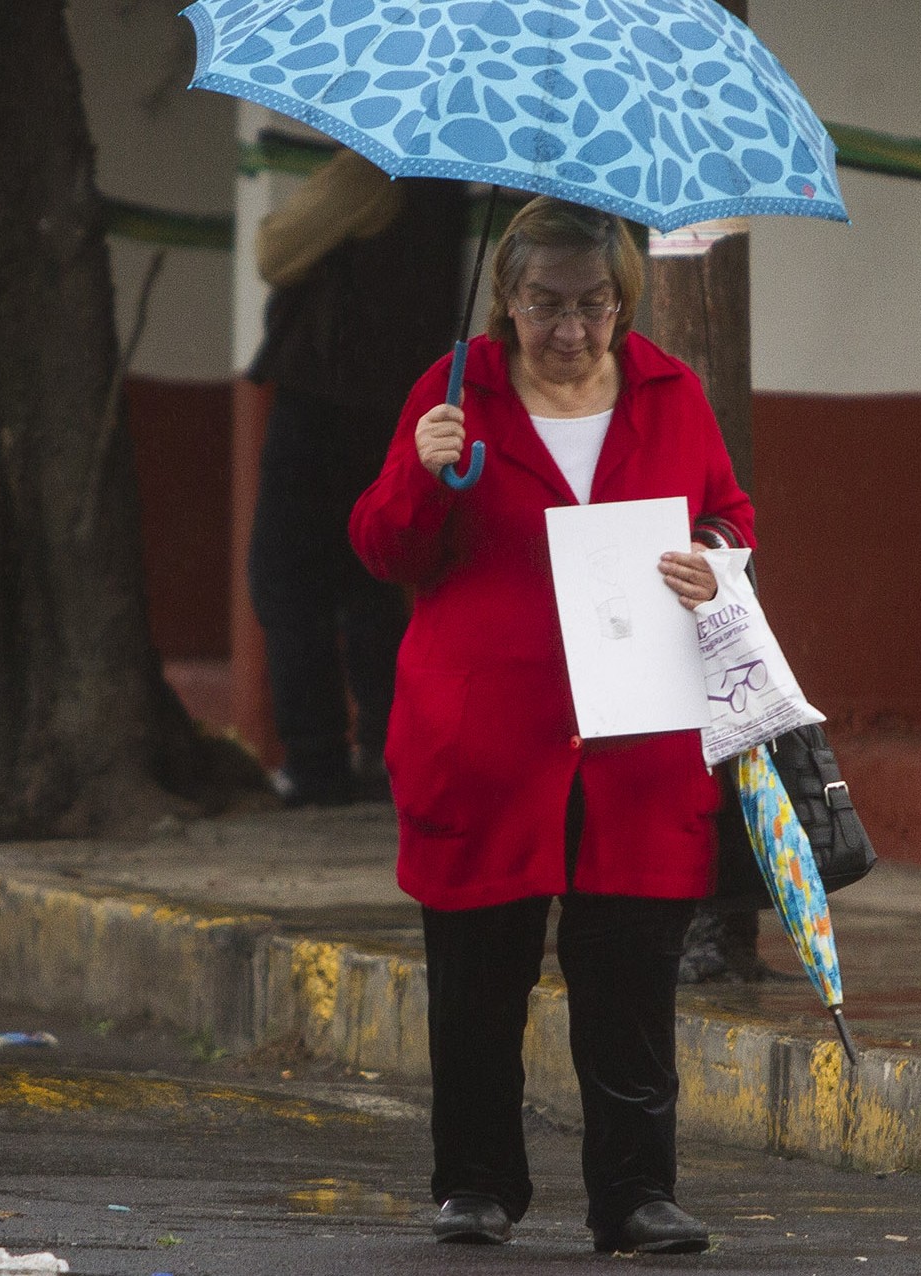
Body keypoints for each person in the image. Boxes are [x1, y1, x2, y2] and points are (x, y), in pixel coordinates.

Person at [347, 197, 754, 1255]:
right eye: (544, 306)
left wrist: (710, 556)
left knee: (628, 982)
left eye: (591, 305)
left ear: (623, 302)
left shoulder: (669, 391)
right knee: (477, 975)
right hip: (483, 734)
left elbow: (726, 514)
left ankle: (634, 1192)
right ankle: (474, 1183)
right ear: (505, 302)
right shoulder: (453, 396)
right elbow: (384, 549)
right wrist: (419, 470)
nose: (569, 330)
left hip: (636, 738)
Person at [247, 150, 464, 806]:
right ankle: (380, 745)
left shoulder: (372, 170)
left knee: (287, 584)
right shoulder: (445, 185)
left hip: (323, 402)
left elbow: (272, 249)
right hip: (396, 405)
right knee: (372, 584)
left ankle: (314, 761)